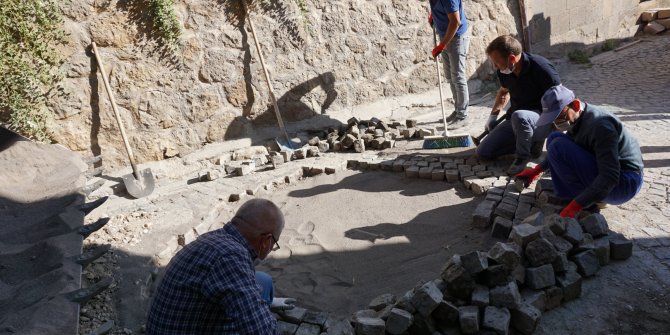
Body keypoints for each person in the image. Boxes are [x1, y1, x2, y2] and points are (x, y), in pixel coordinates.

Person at [146, 199, 296, 335]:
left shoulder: (217, 238)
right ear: (266, 241)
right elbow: (263, 332)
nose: (271, 249)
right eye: (274, 245)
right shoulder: (230, 258)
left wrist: (264, 303)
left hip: (174, 322)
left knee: (263, 280)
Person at [515, 85, 644, 218]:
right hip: (613, 175)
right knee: (554, 138)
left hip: (624, 183)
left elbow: (610, 176)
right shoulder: (579, 117)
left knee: (557, 146)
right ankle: (589, 195)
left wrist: (576, 206)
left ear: (575, 105)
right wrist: (536, 170)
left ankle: (586, 201)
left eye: (560, 116)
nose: (557, 123)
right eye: (553, 119)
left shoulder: (600, 126)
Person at [477, 35, 561, 175]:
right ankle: (530, 144)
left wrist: (559, 142)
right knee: (483, 152)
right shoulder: (504, 71)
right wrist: (493, 116)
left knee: (520, 116)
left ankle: (523, 157)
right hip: (516, 121)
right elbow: (503, 92)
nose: (495, 67)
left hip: (542, 120)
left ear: (511, 58)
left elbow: (560, 102)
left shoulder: (542, 68)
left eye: (497, 62)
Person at [428, 0, 470, 129]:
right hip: (445, 35)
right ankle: (458, 110)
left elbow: (455, 22)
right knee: (450, 77)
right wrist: (433, 16)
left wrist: (442, 45)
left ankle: (463, 116)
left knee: (458, 77)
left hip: (457, 38)